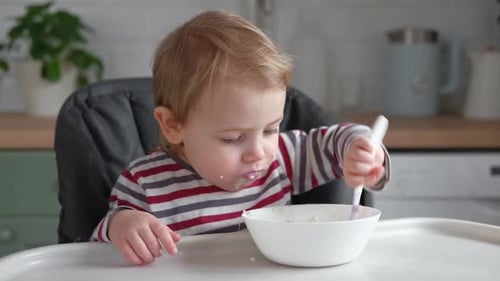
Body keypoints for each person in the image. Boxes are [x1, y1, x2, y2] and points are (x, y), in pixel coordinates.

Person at [91, 10, 391, 265]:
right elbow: (96, 253)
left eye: (271, 129)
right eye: (234, 138)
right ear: (173, 125)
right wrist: (122, 225)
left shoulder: (282, 159)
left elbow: (335, 142)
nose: (258, 153)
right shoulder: (146, 183)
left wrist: (360, 150)